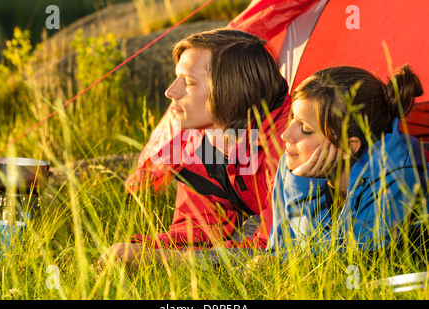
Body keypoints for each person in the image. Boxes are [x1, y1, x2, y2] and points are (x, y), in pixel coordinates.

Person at [98, 29, 291, 270]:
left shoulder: (289, 143)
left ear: (230, 90)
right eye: (176, 78)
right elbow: (197, 226)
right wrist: (146, 249)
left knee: (249, 237)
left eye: (188, 82)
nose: (171, 92)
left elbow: (274, 246)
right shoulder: (198, 145)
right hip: (260, 229)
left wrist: (161, 260)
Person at [267, 64, 429, 258]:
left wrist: (305, 193)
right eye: (292, 118)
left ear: (348, 146)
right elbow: (281, 252)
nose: (286, 135)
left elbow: (342, 268)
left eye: (306, 129)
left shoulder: (397, 180)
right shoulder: (296, 163)